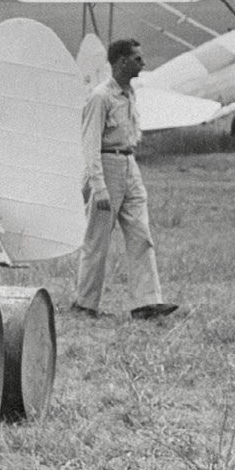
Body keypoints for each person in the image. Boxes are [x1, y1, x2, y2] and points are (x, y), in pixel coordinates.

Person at [73, 39, 179, 321]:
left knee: (141, 235)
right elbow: (90, 144)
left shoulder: (129, 94)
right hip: (107, 165)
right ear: (121, 62)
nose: (142, 64)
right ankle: (85, 303)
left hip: (129, 163)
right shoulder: (100, 97)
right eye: (137, 59)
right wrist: (99, 187)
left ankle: (146, 302)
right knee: (97, 240)